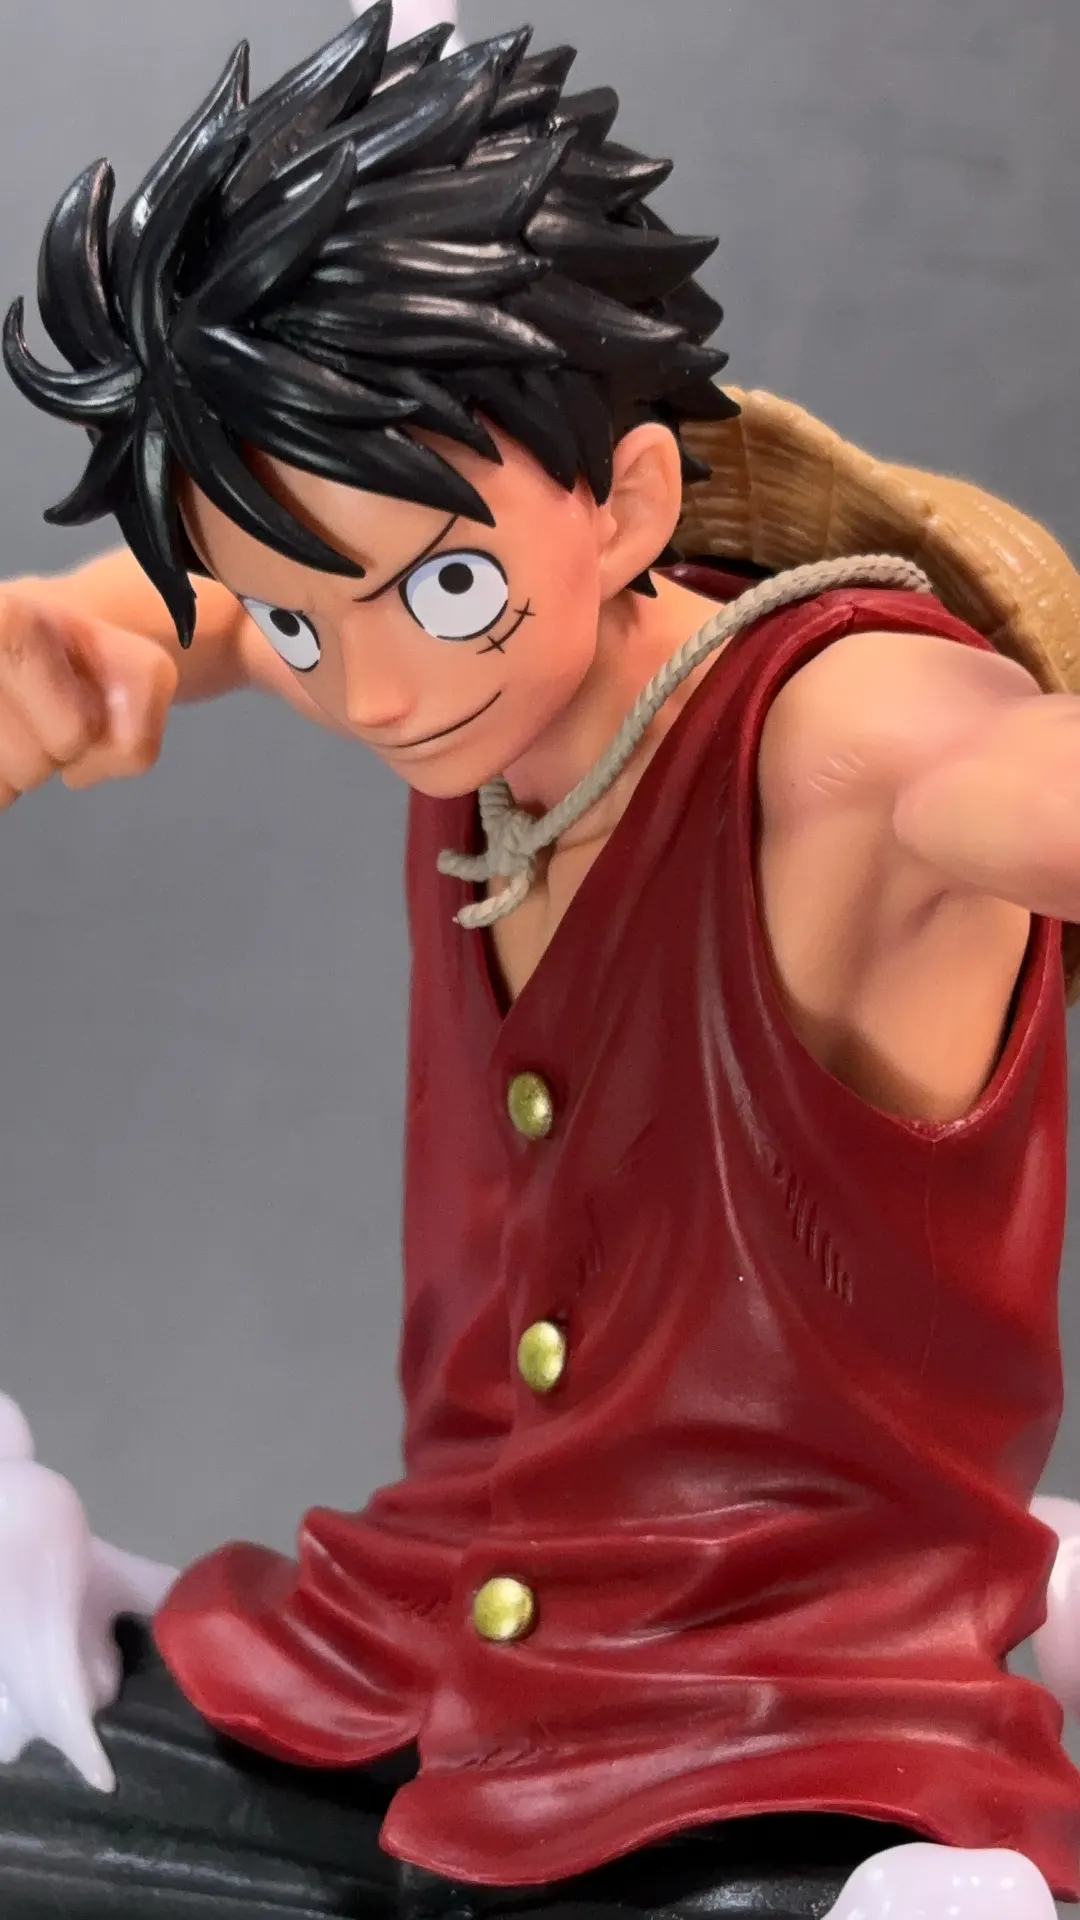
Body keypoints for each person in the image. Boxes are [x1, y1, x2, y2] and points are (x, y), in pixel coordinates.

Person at [1, 5, 1079, 1915]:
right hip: (413, 1664)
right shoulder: (460, 681)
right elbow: (276, 587)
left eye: (449, 587)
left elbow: (1004, 779)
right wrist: (109, 626)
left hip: (795, 1720)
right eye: (306, 627)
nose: (378, 692)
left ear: (633, 501)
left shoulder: (843, 748)